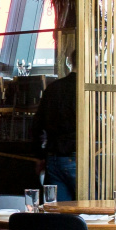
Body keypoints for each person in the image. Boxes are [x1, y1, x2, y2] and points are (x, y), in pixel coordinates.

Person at [34, 33, 77, 201]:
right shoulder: (89, 91)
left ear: (70, 62)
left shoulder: (53, 88)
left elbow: (37, 126)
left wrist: (39, 156)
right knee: (91, 212)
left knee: (58, 214)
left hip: (53, 158)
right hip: (76, 157)